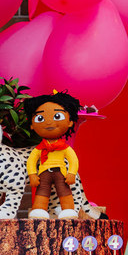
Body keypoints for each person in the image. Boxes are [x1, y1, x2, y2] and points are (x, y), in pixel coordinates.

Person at [24, 92, 82, 220]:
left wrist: (72, 173)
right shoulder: (40, 148)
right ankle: (39, 210)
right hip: (44, 173)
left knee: (64, 190)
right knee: (42, 190)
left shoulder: (64, 147)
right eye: (41, 118)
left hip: (61, 173)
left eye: (57, 116)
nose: (49, 122)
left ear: (70, 122)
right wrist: (32, 174)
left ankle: (68, 211)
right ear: (32, 125)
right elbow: (31, 161)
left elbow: (73, 159)